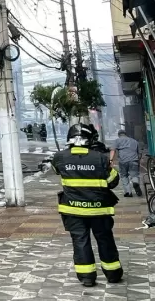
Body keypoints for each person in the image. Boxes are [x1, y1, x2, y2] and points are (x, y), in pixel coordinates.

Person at [51, 123, 122, 287]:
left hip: (73, 210)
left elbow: (56, 170)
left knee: (80, 241)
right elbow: (113, 182)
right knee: (104, 239)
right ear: (90, 139)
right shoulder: (100, 158)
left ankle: (87, 278)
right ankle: (113, 274)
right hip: (99, 209)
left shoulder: (60, 157)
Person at [113, 130, 142, 197]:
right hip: (134, 160)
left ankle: (128, 192)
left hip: (123, 161)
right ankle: (135, 182)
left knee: (124, 176)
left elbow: (113, 150)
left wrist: (111, 160)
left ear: (119, 135)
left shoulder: (117, 140)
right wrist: (138, 161)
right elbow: (139, 153)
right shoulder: (134, 141)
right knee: (134, 175)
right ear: (126, 134)